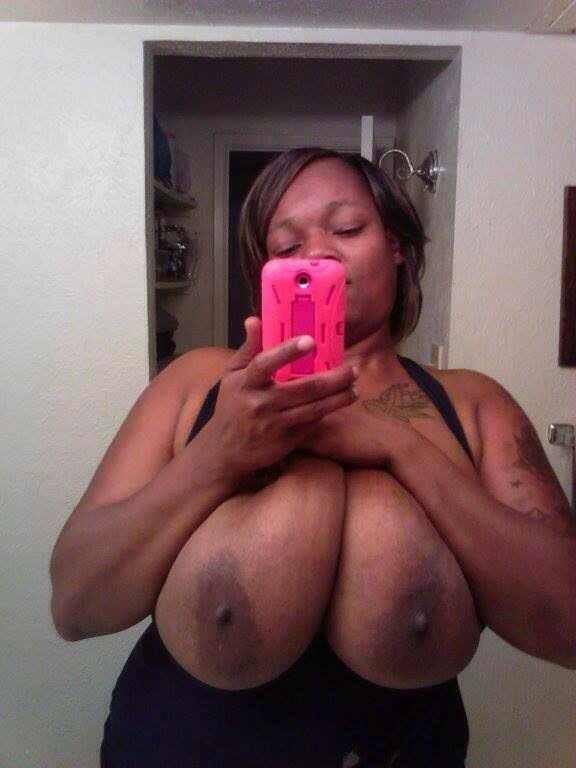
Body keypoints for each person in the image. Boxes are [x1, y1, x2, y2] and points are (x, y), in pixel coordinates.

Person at [50, 148, 575, 768]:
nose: (317, 255)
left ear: (397, 245)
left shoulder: (471, 403)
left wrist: (400, 448)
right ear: (265, 270)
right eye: (288, 245)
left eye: (347, 228)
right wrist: (215, 457)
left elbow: (567, 624)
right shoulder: (195, 384)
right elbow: (75, 604)